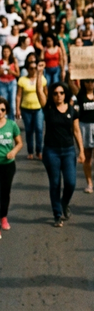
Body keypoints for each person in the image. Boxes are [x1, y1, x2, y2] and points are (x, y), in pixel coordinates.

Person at [35, 63, 84, 227]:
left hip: (69, 151)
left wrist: (81, 151)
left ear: (65, 94)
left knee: (71, 182)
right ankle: (57, 214)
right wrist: (39, 73)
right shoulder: (48, 108)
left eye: (61, 93)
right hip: (51, 151)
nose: (58, 95)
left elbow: (76, 131)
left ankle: (64, 203)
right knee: (55, 183)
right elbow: (39, 92)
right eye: (55, 93)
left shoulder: (72, 110)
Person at [71, 79, 94, 193]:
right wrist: (70, 71)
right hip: (84, 127)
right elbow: (71, 84)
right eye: (87, 81)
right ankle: (89, 182)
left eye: (92, 81)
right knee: (87, 157)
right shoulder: (80, 95)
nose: (90, 83)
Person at [0, 97, 22, 237]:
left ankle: (3, 217)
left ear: (6, 111)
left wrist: (13, 151)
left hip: (8, 165)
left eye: (2, 109)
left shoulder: (11, 125)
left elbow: (19, 143)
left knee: (5, 193)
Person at [16, 57, 46, 160]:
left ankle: (39, 150)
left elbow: (45, 93)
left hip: (38, 108)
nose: (33, 70)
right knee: (29, 130)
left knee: (39, 129)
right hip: (26, 109)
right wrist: (17, 109)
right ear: (27, 69)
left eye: (35, 68)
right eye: (31, 68)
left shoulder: (41, 79)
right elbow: (19, 95)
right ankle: (30, 151)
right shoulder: (22, 80)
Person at [0, 45, 19, 119]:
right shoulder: (0, 62)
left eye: (7, 51)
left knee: (12, 103)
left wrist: (11, 71)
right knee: (4, 102)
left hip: (12, 82)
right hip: (2, 83)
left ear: (10, 52)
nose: (6, 53)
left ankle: (12, 121)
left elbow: (18, 74)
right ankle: (4, 120)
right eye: (4, 52)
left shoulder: (13, 61)